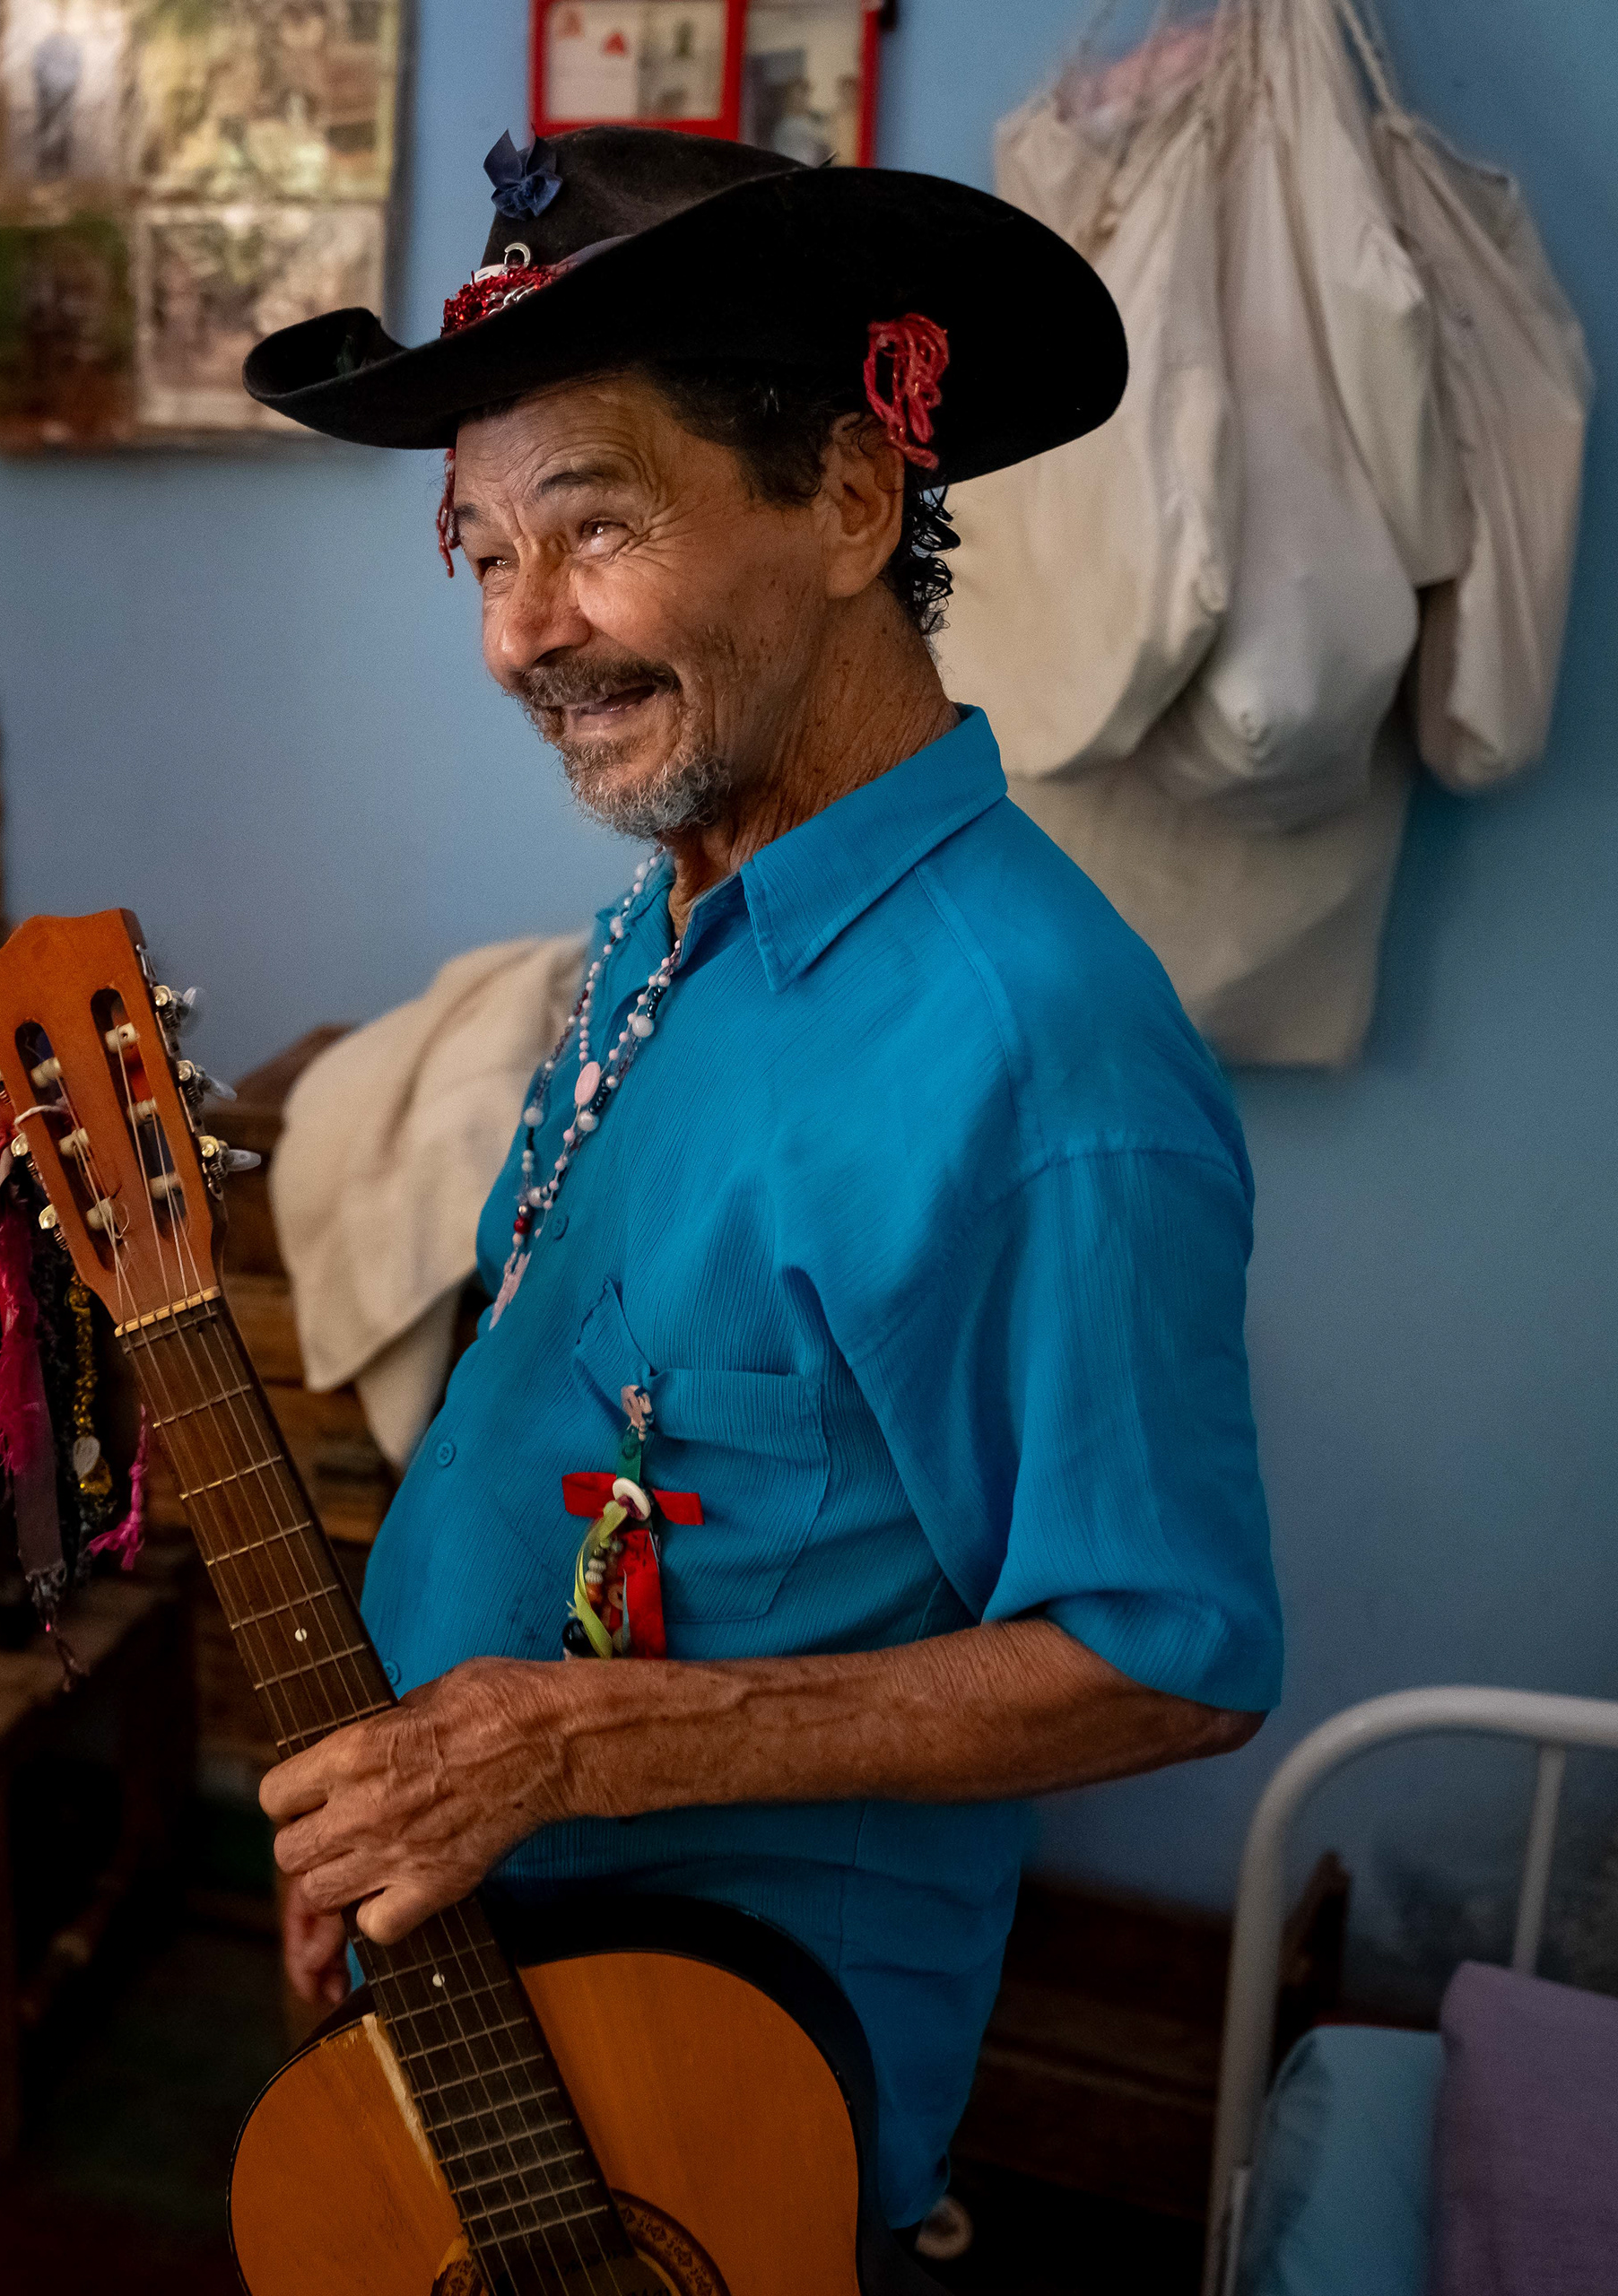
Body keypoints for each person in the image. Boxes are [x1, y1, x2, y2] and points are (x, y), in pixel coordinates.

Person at [237, 126, 1284, 2241]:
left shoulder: (1036, 1049)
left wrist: (565, 1749)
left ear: (850, 498)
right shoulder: (678, 895)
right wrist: (408, 1813)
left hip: (714, 2120)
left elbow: (1171, 1650)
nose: (526, 633)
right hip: (469, 1964)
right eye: (478, 551)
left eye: (594, 524)